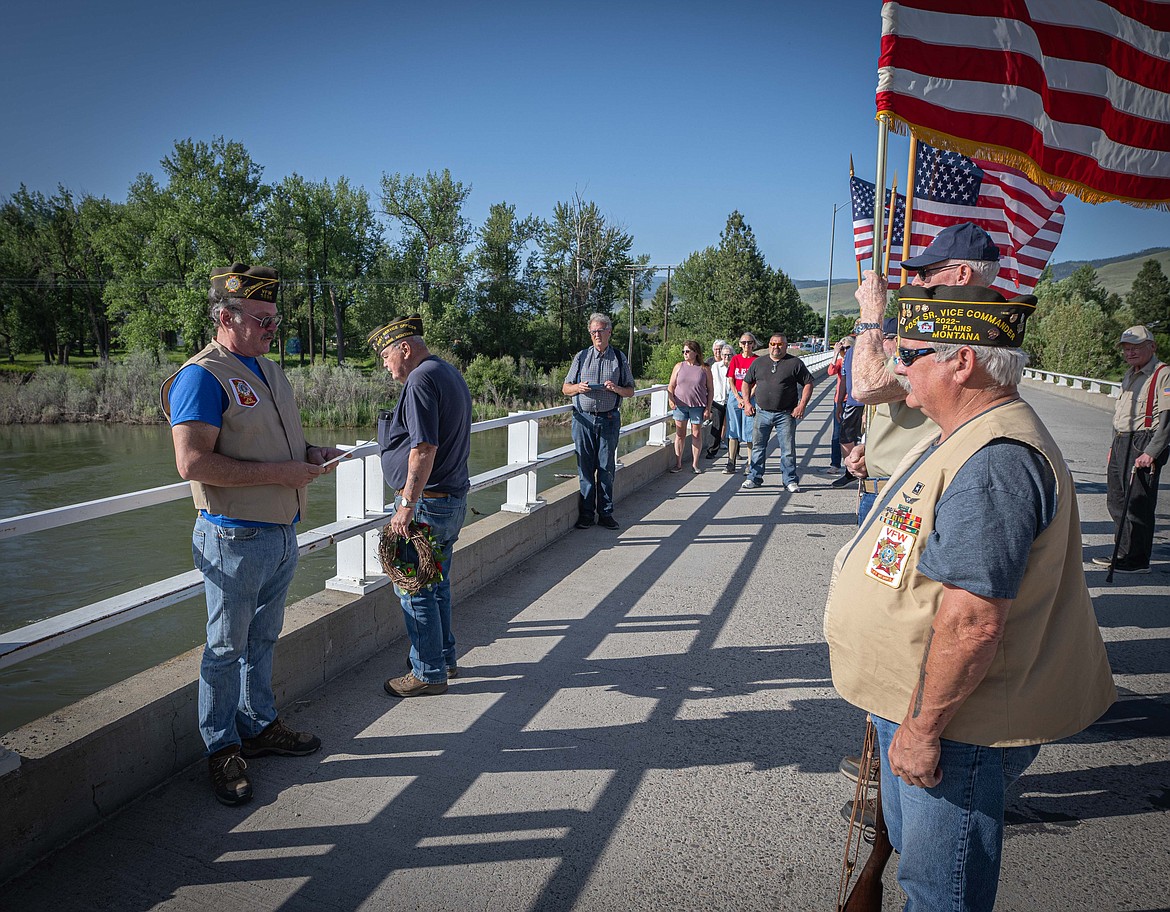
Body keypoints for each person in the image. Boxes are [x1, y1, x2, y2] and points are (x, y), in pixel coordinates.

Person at [824, 283, 1116, 911]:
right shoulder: (965, 432)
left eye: (912, 354)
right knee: (914, 860)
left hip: (955, 723)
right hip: (915, 699)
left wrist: (925, 728)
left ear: (962, 361)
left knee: (938, 891)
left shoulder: (995, 459)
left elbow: (972, 623)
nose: (898, 368)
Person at [161, 264, 345, 807]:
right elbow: (190, 462)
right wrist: (281, 475)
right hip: (233, 537)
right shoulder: (202, 376)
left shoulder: (266, 368)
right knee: (224, 647)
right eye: (262, 319)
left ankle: (259, 726)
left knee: (262, 640)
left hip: (281, 532)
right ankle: (222, 750)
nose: (273, 327)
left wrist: (309, 457)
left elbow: (272, 445)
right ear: (226, 317)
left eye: (274, 318)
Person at [370, 315, 473, 698]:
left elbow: (424, 448)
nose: (384, 363)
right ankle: (442, 657)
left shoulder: (419, 380)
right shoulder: (446, 372)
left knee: (413, 588)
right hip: (450, 499)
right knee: (437, 582)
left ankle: (427, 672)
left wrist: (406, 505)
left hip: (427, 505)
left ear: (405, 348)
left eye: (385, 355)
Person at [1092, 324, 1169, 574]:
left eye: (1136, 347)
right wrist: (1113, 445)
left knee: (1138, 503)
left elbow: (1168, 418)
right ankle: (1121, 552)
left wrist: (1152, 451)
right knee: (1117, 500)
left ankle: (1137, 559)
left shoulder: (1162, 374)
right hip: (1122, 441)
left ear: (1152, 346)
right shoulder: (1130, 373)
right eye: (1126, 348)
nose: (1130, 352)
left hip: (1144, 441)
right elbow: (1122, 413)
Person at [563, 313, 636, 530]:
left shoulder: (619, 358)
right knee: (585, 469)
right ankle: (586, 514)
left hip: (609, 419)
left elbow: (631, 391)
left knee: (606, 468)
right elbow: (566, 388)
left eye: (600, 331)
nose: (596, 335)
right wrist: (579, 388)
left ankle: (605, 513)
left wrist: (616, 389)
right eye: (593, 332)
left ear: (609, 332)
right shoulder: (582, 356)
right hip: (583, 420)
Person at [740, 333, 814, 492]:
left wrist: (802, 405)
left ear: (786, 346)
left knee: (787, 449)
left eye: (780, 344)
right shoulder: (759, 362)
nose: (776, 347)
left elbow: (808, 383)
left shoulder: (794, 363)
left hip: (785, 414)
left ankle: (789, 480)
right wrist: (746, 403)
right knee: (758, 447)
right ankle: (754, 477)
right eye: (773, 344)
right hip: (761, 412)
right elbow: (746, 383)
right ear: (769, 345)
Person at [667, 340, 714, 473]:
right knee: (680, 434)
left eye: (687, 351)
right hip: (680, 405)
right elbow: (671, 385)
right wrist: (671, 400)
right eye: (683, 351)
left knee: (696, 433)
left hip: (698, 405)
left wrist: (708, 408)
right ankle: (678, 464)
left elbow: (710, 389)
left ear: (695, 352)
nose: (685, 354)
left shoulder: (704, 368)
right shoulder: (679, 366)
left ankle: (695, 464)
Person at [724, 332, 758, 475]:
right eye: (743, 342)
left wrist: (747, 398)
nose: (746, 345)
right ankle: (731, 462)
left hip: (751, 396)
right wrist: (738, 398)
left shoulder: (757, 360)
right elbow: (731, 379)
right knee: (733, 430)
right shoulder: (736, 359)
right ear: (739, 344)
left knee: (749, 431)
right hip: (735, 396)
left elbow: (759, 381)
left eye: (749, 342)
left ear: (753, 344)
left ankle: (750, 463)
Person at [825, 336, 851, 475]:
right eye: (843, 348)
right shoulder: (840, 361)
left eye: (847, 348)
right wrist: (835, 353)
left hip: (853, 399)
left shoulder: (855, 361)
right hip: (839, 400)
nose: (844, 351)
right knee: (837, 432)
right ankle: (835, 464)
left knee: (852, 433)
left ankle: (851, 465)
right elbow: (830, 371)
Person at [706, 343, 734, 458]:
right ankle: (712, 451)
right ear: (721, 355)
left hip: (732, 400)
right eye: (724, 355)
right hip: (718, 400)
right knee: (716, 426)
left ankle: (734, 452)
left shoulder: (734, 366)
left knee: (733, 427)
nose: (727, 357)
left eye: (729, 355)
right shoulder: (716, 366)